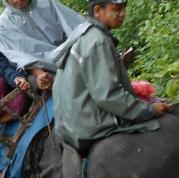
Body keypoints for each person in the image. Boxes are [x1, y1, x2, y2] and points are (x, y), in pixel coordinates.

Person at [52, 0, 172, 153]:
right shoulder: (98, 41)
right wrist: (149, 110)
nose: (122, 14)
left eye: (124, 9)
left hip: (70, 127)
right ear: (97, 11)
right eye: (116, 9)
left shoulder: (83, 32)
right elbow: (107, 96)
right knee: (163, 124)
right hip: (89, 128)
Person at [0, 0, 87, 91]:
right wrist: (40, 74)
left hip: (71, 50)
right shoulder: (3, 27)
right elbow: (21, 59)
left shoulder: (46, 3)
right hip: (45, 67)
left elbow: (74, 24)